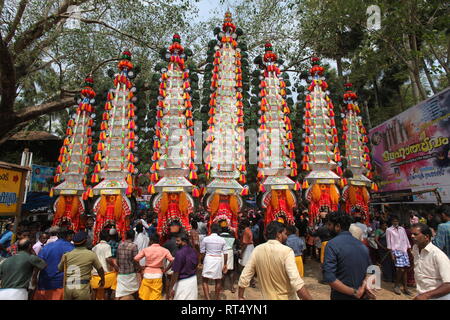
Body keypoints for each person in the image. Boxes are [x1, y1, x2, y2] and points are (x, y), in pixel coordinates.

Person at [238, 221, 313, 300]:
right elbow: (296, 283)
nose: (286, 236)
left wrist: (240, 296)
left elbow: (244, 276)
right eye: (285, 234)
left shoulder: (257, 250)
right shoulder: (287, 251)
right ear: (278, 234)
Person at [322, 211, 373, 300]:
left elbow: (329, 278)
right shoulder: (362, 245)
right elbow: (371, 271)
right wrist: (364, 286)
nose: (327, 227)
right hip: (363, 296)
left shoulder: (331, 245)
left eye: (329, 224)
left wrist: (354, 292)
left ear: (337, 226)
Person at [58, 231, 105, 300]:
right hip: (82, 288)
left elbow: (60, 268)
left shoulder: (66, 255)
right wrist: (102, 279)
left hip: (68, 288)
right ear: (85, 241)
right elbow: (100, 269)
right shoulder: (91, 254)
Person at [411, 223, 450, 300]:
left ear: (427, 237)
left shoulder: (438, 255)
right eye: (412, 234)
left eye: (415, 234)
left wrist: (426, 295)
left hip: (438, 296)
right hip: (422, 294)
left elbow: (448, 284)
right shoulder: (415, 248)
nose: (412, 236)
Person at [33, 229, 75, 300]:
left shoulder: (46, 247)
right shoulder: (73, 248)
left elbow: (38, 265)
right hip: (63, 286)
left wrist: (34, 278)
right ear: (69, 236)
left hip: (45, 285)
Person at [134, 233, 174, 300]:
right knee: (155, 296)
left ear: (151, 240)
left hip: (147, 274)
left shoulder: (146, 249)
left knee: (145, 296)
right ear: (158, 240)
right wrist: (166, 270)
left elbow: (135, 259)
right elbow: (172, 260)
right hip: (158, 275)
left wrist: (141, 267)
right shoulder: (164, 250)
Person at [200, 223, 228, 300]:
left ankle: (207, 298)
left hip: (208, 259)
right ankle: (216, 298)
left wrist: (201, 261)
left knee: (204, 279)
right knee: (218, 280)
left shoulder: (206, 239)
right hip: (218, 260)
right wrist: (225, 264)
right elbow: (225, 253)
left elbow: (202, 252)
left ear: (210, 229)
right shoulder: (222, 240)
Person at [167, 232, 199, 300]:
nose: (176, 242)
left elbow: (176, 273)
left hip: (183, 283)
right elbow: (197, 264)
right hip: (193, 280)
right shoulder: (193, 251)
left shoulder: (179, 253)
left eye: (178, 241)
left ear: (184, 242)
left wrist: (171, 287)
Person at [386, 215, 412, 295]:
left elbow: (406, 239)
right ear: (391, 222)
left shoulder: (402, 229)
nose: (396, 222)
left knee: (405, 270)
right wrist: (392, 254)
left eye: (397, 221)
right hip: (396, 251)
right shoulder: (389, 230)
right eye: (394, 221)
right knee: (399, 270)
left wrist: (409, 249)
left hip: (404, 250)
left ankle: (405, 288)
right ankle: (396, 286)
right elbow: (389, 242)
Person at [91, 230, 118, 300]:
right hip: (105, 273)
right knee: (106, 289)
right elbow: (108, 259)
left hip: (94, 273)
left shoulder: (94, 247)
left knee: (94, 290)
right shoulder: (107, 246)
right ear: (108, 238)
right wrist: (115, 266)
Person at [116, 230, 141, 300]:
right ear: (133, 237)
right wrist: (139, 268)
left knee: (120, 294)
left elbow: (117, 260)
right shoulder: (134, 246)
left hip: (121, 274)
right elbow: (136, 260)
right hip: (130, 274)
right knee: (134, 293)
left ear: (126, 236)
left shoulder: (120, 245)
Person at [219, 225, 238, 293]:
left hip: (222, 253)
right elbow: (235, 244)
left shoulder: (219, 237)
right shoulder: (232, 236)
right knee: (230, 271)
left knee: (223, 271)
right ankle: (232, 287)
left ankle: (222, 288)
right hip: (230, 252)